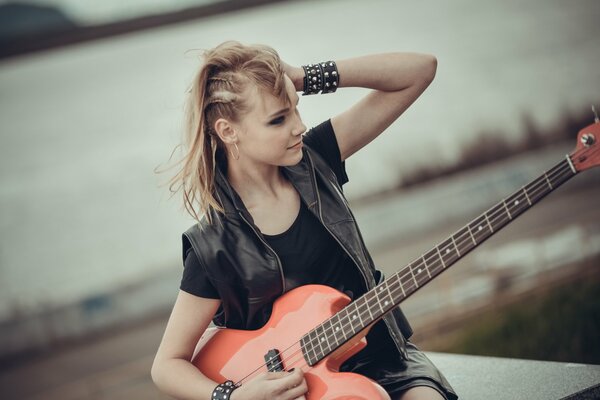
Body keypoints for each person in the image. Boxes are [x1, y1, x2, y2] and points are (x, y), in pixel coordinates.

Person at [151, 40, 457, 400]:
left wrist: (304, 78)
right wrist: (232, 396)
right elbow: (167, 364)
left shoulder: (317, 159)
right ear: (229, 131)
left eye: (296, 110)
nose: (299, 126)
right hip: (306, 392)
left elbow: (420, 70)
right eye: (278, 119)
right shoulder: (213, 245)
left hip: (389, 361)